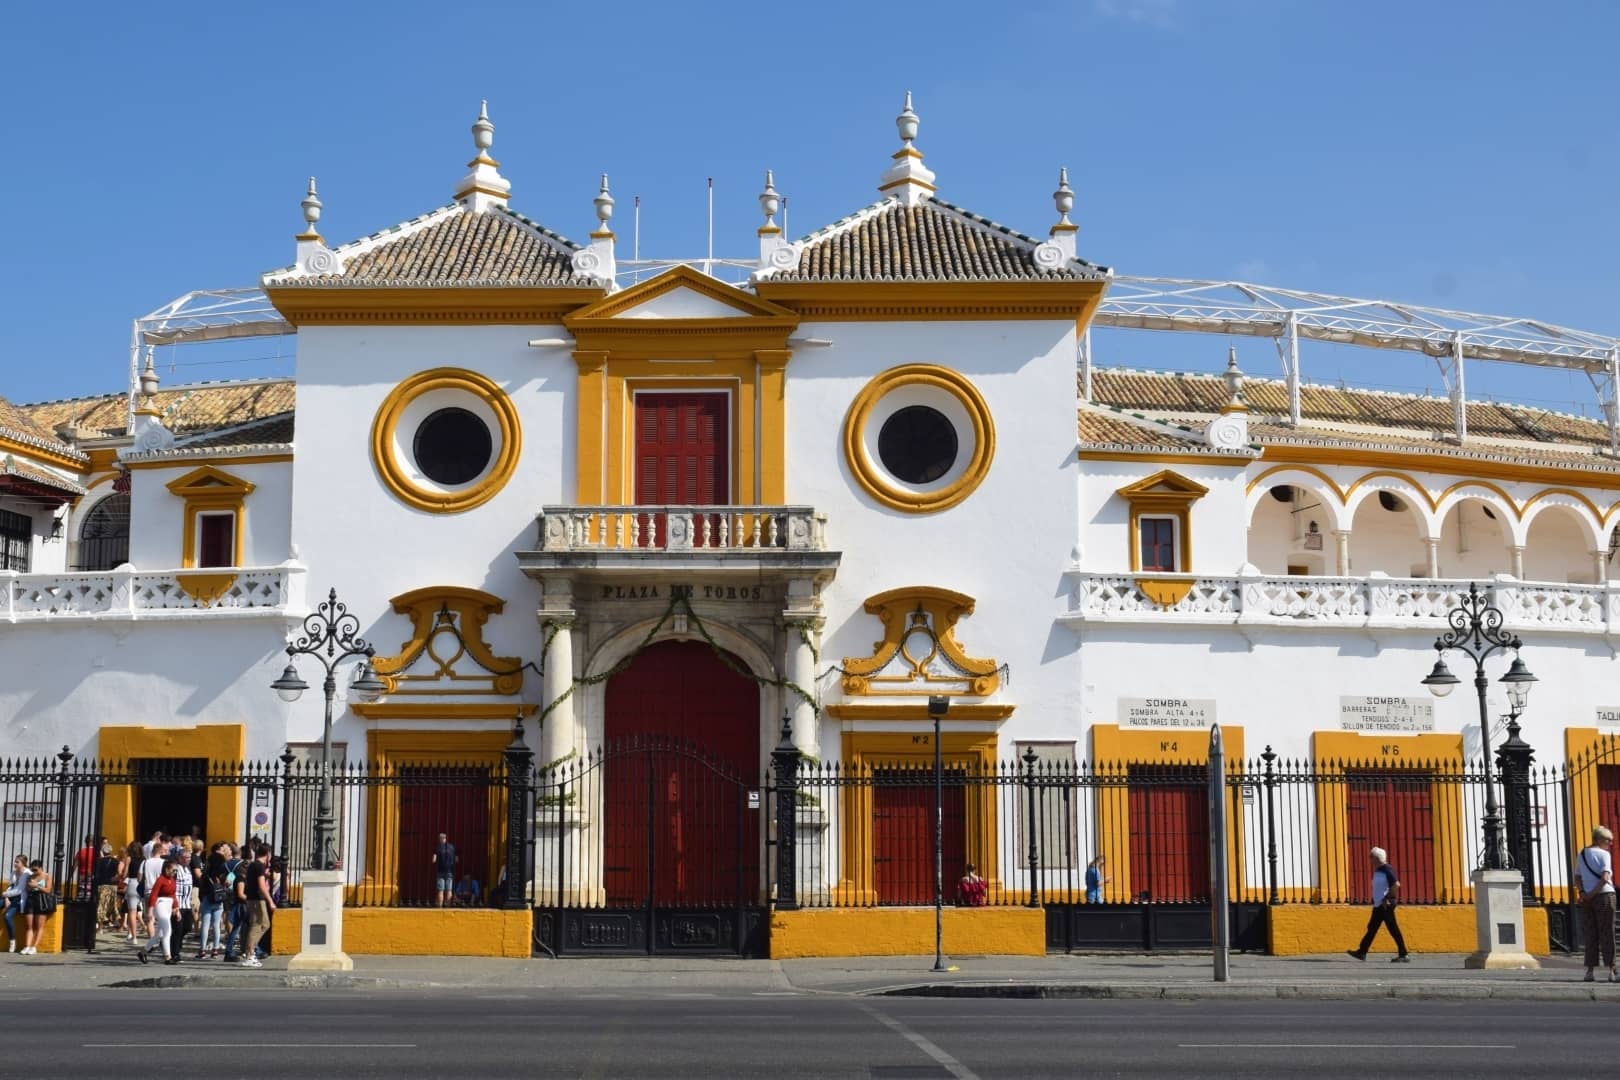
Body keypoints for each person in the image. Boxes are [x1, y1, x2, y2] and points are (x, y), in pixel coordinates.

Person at [1347, 846, 1409, 962]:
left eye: (1371, 857)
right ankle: (1362, 952)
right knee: (1372, 928)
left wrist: (1388, 898)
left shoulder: (1387, 869)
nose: (1369, 859)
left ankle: (1403, 954)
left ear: (1376, 858)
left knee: (1393, 929)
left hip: (1385, 905)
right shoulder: (1379, 870)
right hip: (1379, 905)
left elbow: (1396, 885)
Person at [1575, 824, 1616, 983]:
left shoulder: (1583, 853)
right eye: (1608, 840)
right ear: (1599, 839)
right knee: (1607, 932)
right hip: (1604, 896)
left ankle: (1589, 972)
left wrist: (1584, 893)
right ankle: (1612, 971)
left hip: (1587, 900)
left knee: (1591, 934)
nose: (1610, 844)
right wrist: (1593, 893)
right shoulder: (1604, 854)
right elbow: (1605, 877)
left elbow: (1577, 877)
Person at [238, 841, 275, 968]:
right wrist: (270, 900)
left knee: (264, 924)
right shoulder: (259, 866)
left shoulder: (255, 865)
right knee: (256, 926)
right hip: (257, 900)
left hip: (254, 899)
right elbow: (262, 886)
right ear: (268, 854)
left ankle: (250, 950)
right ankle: (249, 954)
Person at [137, 858, 179, 965]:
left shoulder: (173, 880)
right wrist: (150, 911)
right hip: (160, 904)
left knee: (159, 934)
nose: (175, 873)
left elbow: (173, 894)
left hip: (168, 905)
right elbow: (153, 894)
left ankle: (143, 952)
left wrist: (176, 908)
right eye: (173, 870)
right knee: (167, 931)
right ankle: (167, 957)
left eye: (176, 871)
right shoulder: (160, 879)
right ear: (166, 869)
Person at [196, 845, 230, 959]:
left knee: (205, 925)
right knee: (216, 925)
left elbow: (201, 884)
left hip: (207, 899)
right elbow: (229, 882)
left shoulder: (206, 874)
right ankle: (215, 949)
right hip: (219, 900)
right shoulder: (222, 874)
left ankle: (202, 950)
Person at [19, 860, 53, 955]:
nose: (34, 872)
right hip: (30, 900)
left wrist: (36, 885)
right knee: (29, 925)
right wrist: (29, 885)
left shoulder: (47, 876)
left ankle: (34, 947)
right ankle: (27, 946)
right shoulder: (30, 876)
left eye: (35, 869)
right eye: (32, 869)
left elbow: (48, 890)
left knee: (39, 926)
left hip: (41, 900)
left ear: (41, 868)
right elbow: (27, 889)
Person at [4, 854, 30, 953]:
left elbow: (19, 890)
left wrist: (5, 894)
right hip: (10, 896)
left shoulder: (27, 873)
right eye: (15, 861)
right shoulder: (14, 873)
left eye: (17, 862)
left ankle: (12, 942)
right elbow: (10, 885)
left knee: (7, 916)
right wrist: (6, 897)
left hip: (20, 898)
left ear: (23, 863)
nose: (14, 863)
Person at [94, 841, 121, 930]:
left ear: (103, 851)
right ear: (110, 851)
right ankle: (117, 924)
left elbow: (97, 875)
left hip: (103, 885)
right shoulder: (115, 861)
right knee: (113, 905)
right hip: (113, 886)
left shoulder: (100, 861)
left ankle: (100, 928)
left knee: (102, 906)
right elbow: (118, 873)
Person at [121, 842, 144, 944]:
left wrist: (121, 876)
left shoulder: (129, 859)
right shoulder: (144, 859)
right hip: (143, 884)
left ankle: (134, 937)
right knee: (143, 911)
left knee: (132, 911)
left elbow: (125, 874)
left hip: (133, 883)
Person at [432, 833, 457, 907]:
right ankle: (448, 906)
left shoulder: (438, 848)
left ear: (440, 839)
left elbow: (434, 860)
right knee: (449, 890)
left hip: (440, 871)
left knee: (440, 890)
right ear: (446, 838)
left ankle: (440, 906)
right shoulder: (452, 847)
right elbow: (456, 860)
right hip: (449, 871)